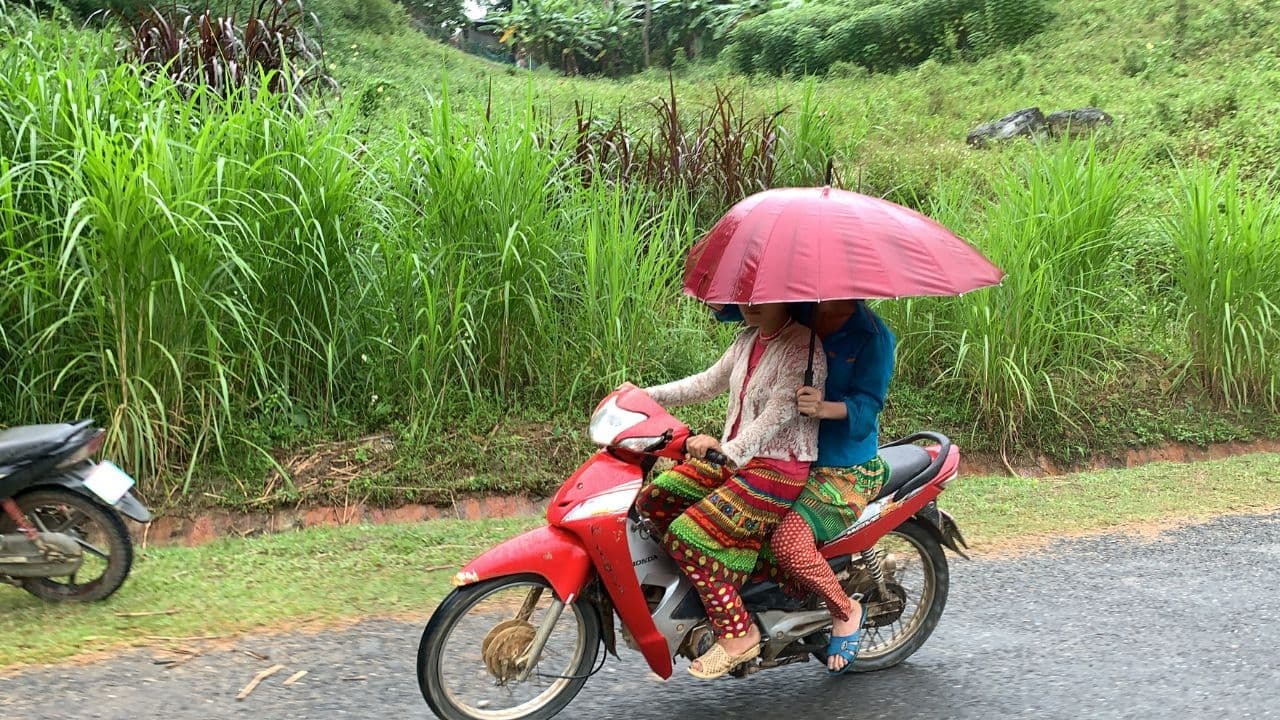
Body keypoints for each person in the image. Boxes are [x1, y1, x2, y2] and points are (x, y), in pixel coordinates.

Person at [636, 302, 827, 680]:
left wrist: (730, 451)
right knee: (655, 500)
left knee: (687, 536)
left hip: (777, 469)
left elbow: (778, 416)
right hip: (736, 462)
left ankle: (739, 632)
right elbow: (705, 383)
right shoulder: (747, 340)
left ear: (786, 297)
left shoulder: (804, 347)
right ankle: (712, 581)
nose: (749, 306)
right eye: (745, 297)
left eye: (761, 298)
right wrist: (643, 397)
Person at [771, 299, 896, 674]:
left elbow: (869, 405)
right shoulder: (796, 311)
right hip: (789, 455)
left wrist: (824, 408)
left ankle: (846, 609)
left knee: (788, 543)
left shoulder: (873, 336)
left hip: (845, 468)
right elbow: (743, 317)